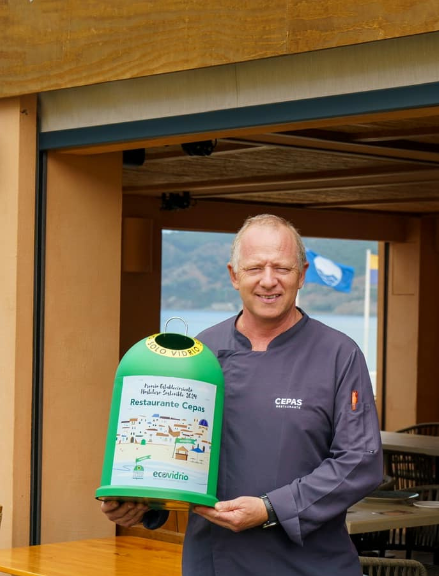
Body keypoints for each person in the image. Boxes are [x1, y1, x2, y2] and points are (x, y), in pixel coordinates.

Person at [101, 214, 383, 576]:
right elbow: (173, 456)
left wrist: (271, 508)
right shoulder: (200, 354)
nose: (269, 281)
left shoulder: (339, 354)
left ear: (303, 273)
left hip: (311, 565)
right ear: (234, 275)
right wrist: (142, 503)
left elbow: (360, 461)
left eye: (282, 268)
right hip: (216, 562)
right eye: (255, 269)